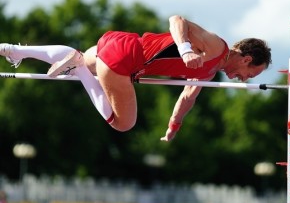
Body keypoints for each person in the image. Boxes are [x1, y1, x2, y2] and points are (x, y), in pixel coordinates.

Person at [0, 15, 272, 141]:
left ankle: (17, 51)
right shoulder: (216, 48)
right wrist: (186, 49)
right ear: (247, 59)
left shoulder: (209, 72)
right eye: (251, 74)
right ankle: (79, 70)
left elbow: (187, 97)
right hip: (126, 61)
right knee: (123, 124)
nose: (244, 80)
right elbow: (178, 20)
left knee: (80, 55)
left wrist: (173, 127)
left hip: (117, 43)